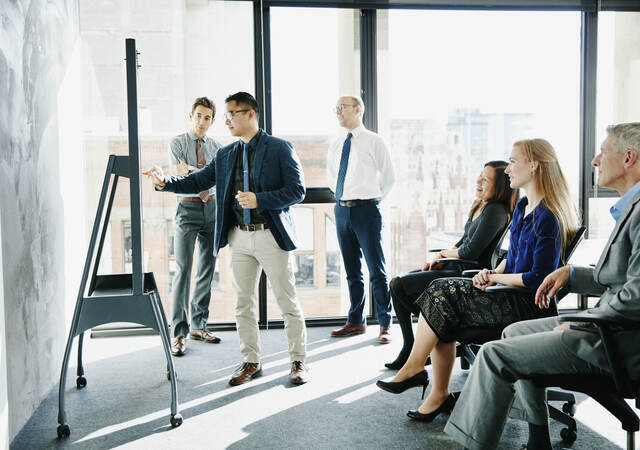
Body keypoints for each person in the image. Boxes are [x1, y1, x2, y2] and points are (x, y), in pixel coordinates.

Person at [444, 123, 640, 450]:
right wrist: (572, 274)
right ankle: (537, 440)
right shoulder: (628, 209)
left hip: (617, 339)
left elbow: (635, 298)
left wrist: (583, 320)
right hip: (610, 326)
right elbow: (621, 279)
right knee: (513, 334)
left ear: (629, 158)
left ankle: (472, 444)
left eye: (603, 152)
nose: (594, 160)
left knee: (493, 354)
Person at [376, 138, 579, 425]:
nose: (508, 169)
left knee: (440, 296)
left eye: (513, 161)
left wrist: (495, 276)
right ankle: (435, 390)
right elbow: (515, 256)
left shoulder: (548, 216)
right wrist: (493, 270)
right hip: (507, 293)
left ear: (533, 165)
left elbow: (536, 278)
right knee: (440, 301)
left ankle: (417, 370)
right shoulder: (522, 207)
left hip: (529, 307)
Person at [145, 92, 310, 386]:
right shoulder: (226, 154)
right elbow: (198, 180)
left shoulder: (280, 148)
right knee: (243, 304)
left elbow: (297, 191)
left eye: (231, 114)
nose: (225, 120)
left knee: (287, 301)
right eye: (226, 115)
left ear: (250, 114)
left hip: (271, 236)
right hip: (239, 238)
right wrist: (165, 182)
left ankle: (298, 361)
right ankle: (251, 361)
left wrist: (260, 200)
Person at [385, 161, 518, 370]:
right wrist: (439, 260)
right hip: (454, 265)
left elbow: (470, 251)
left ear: (500, 186)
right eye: (480, 176)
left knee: (399, 285)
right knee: (399, 283)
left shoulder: (495, 211)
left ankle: (434, 329)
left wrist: (444, 254)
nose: (478, 181)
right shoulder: (481, 205)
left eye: (486, 179)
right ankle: (419, 340)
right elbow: (463, 242)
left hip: (468, 272)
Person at [327, 95, 396, 343]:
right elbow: (332, 176)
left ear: (358, 110)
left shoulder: (374, 141)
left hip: (367, 210)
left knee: (376, 269)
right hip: (342, 210)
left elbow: (389, 177)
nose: (337, 112)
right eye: (336, 108)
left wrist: (373, 200)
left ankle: (385, 323)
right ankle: (356, 321)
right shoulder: (336, 143)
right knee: (351, 270)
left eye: (341, 107)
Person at [167, 97, 222, 357]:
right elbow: (180, 174)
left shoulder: (217, 147)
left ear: (212, 120)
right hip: (187, 208)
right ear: (191, 116)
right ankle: (179, 332)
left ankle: (199, 325)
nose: (202, 121)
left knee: (207, 269)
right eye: (198, 116)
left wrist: (194, 171)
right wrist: (198, 172)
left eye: (207, 117)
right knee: (183, 270)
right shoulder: (177, 142)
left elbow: (214, 177)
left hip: (211, 208)